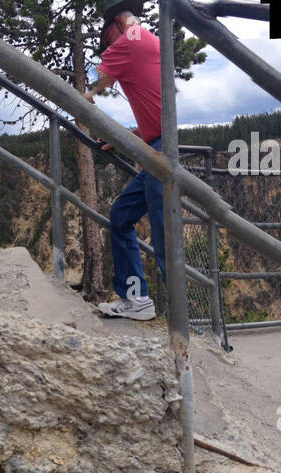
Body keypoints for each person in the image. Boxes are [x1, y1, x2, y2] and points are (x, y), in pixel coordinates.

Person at [82, 0, 165, 321]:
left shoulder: (129, 41)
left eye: (106, 39)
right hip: (156, 145)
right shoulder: (147, 39)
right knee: (121, 216)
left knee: (163, 234)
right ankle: (137, 299)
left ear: (118, 22)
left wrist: (74, 95)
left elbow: (91, 83)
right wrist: (125, 137)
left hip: (161, 151)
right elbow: (155, 108)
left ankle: (186, 323)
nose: (107, 47)